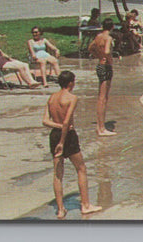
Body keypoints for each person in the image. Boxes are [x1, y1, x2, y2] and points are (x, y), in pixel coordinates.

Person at [42, 70, 103, 219]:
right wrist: (62, 142)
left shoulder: (52, 98)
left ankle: (61, 209)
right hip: (67, 136)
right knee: (81, 168)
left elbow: (45, 121)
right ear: (71, 83)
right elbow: (66, 121)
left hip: (54, 135)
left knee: (58, 174)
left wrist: (57, 128)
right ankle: (85, 205)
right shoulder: (72, 98)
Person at [88, 19, 117, 136]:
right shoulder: (108, 38)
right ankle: (101, 128)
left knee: (101, 97)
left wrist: (98, 56)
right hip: (106, 67)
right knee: (103, 98)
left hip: (99, 65)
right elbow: (107, 50)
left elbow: (90, 48)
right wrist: (109, 59)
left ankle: (99, 126)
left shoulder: (98, 36)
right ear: (112, 27)